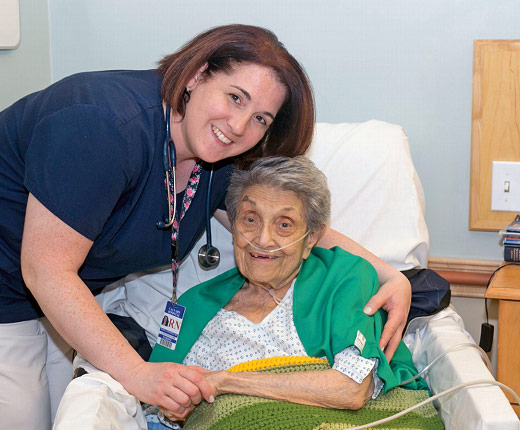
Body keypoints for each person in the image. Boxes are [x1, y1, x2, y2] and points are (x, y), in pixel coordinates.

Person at [0, 24, 410, 429]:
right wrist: (141, 375)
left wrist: (391, 275)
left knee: (59, 414)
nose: (237, 126)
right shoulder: (103, 125)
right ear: (197, 75)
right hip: (13, 289)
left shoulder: (215, 161)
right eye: (234, 98)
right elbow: (46, 269)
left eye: (260, 118)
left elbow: (292, 224)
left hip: (61, 302)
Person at [144, 156, 427, 428]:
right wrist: (174, 405)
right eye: (250, 219)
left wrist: (224, 382)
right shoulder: (190, 305)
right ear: (233, 226)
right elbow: (157, 401)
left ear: (311, 239)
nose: (264, 240)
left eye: (284, 225)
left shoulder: (345, 277)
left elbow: (351, 388)